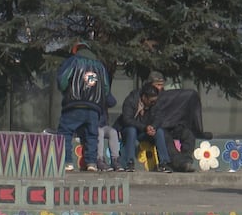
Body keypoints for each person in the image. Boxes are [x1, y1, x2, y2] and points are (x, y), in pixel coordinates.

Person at [56, 41, 111, 172]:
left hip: (74, 104)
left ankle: (67, 162)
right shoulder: (100, 66)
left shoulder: (73, 61)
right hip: (94, 107)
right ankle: (91, 163)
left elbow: (62, 81)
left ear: (75, 50)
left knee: (65, 133)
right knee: (92, 135)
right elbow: (106, 88)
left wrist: (66, 92)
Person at [117, 83, 174, 173]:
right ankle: (129, 162)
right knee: (131, 130)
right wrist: (144, 127)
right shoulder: (131, 100)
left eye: (155, 101)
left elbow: (159, 118)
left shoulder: (155, 103)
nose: (153, 103)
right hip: (129, 130)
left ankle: (164, 163)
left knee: (159, 131)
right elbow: (127, 119)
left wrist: (152, 127)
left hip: (145, 131)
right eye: (151, 101)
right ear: (144, 97)